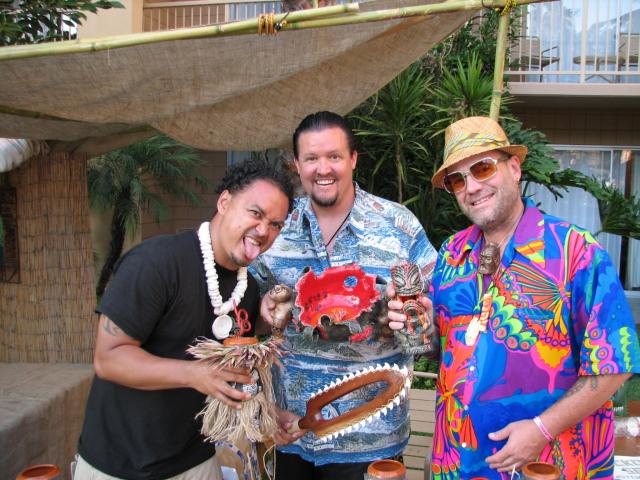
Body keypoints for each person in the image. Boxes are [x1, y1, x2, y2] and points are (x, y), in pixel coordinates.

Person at [389, 116, 640, 479]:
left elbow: (614, 365)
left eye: (483, 168)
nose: (472, 187)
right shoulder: (452, 254)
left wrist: (541, 430)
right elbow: (448, 352)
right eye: (457, 179)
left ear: (514, 168)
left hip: (549, 466)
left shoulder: (575, 251)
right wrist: (420, 327)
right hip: (458, 464)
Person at [75, 158, 294, 480]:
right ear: (224, 202)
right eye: (255, 213)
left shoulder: (246, 290)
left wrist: (269, 413)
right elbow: (108, 359)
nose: (264, 231)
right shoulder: (155, 262)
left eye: (276, 224)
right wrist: (194, 373)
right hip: (119, 463)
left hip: (195, 458)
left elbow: (231, 370)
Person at [250, 111, 437, 479]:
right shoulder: (275, 227)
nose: (323, 169)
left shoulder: (399, 226)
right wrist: (263, 310)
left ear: (353, 159)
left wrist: (421, 325)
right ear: (297, 165)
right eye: (311, 158)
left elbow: (433, 333)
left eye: (334, 156)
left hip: (371, 437)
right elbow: (245, 322)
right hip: (291, 431)